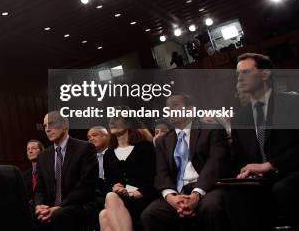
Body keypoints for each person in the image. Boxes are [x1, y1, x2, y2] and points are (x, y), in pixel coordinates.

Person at [225, 53, 299, 230]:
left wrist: (270, 165)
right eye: (238, 74)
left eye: (245, 72)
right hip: (260, 178)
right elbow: (239, 157)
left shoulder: (292, 102)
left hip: (291, 171)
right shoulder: (240, 118)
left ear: (265, 74)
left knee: (282, 189)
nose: (240, 78)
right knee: (231, 195)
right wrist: (245, 171)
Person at [141, 93, 230, 231]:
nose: (170, 110)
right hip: (177, 192)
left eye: (175, 105)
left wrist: (196, 194)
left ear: (190, 110)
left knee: (211, 207)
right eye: (167, 107)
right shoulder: (162, 141)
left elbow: (214, 164)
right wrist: (171, 198)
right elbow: (161, 173)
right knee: (150, 214)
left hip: (206, 187)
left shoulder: (211, 130)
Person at [34, 111, 102, 231]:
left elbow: (86, 186)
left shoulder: (85, 148)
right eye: (45, 126)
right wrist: (40, 206)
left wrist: (60, 207)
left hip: (79, 203)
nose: (47, 129)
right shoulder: (43, 156)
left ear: (65, 125)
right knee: (29, 213)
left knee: (58, 216)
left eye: (52, 124)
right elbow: (40, 188)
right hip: (51, 206)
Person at [99, 109, 155, 231]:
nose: (112, 121)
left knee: (107, 209)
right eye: (110, 119)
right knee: (104, 212)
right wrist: (115, 188)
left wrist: (133, 194)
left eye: (117, 118)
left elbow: (154, 179)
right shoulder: (108, 153)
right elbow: (108, 182)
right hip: (118, 199)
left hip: (141, 198)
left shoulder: (145, 148)